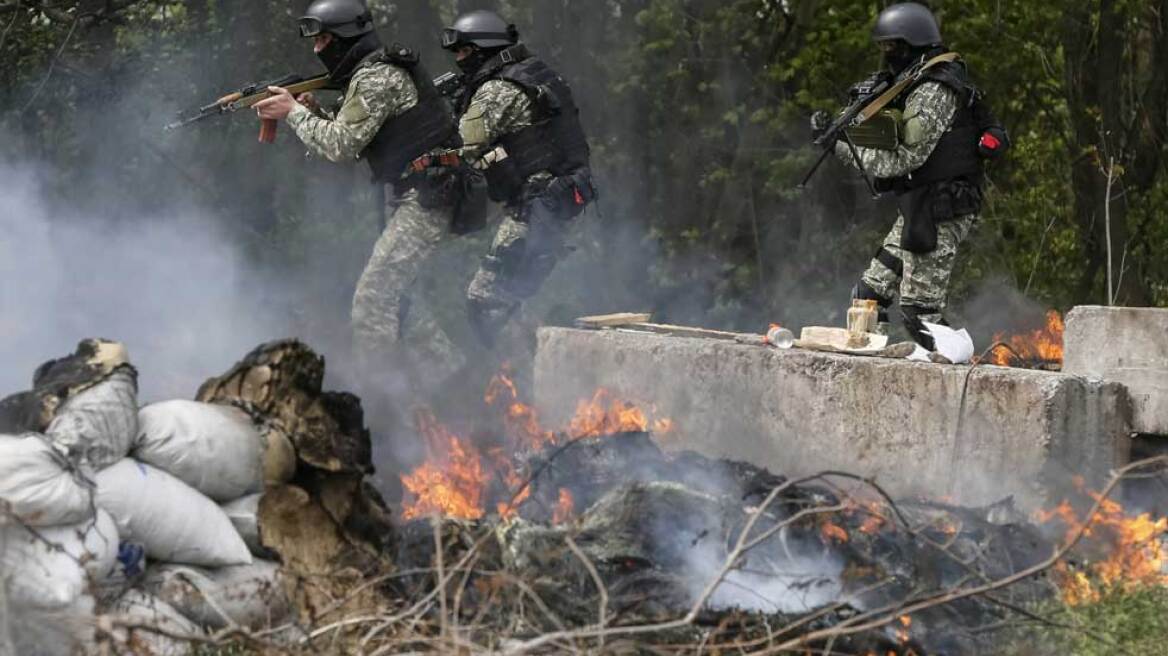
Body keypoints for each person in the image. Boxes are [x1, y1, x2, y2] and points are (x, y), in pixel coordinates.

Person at [254, 0, 463, 381]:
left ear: (345, 37)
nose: (317, 49)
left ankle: (383, 402)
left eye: (323, 40)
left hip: (430, 193)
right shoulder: (370, 73)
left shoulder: (376, 77)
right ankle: (454, 383)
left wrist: (293, 113)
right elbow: (347, 137)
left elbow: (340, 146)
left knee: (373, 299)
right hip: (422, 191)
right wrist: (310, 113)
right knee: (403, 302)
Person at [821, 2, 1006, 349]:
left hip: (942, 207)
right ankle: (873, 362)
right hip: (920, 205)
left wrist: (842, 149)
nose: (887, 53)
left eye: (893, 46)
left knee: (920, 314)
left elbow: (905, 159)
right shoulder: (910, 80)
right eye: (884, 46)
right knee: (868, 298)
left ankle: (966, 366)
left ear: (912, 44)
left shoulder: (935, 89)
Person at [439, 10, 597, 348]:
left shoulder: (498, 88)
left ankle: (525, 374)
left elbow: (461, 145)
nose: (459, 59)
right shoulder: (535, 73)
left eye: (464, 51)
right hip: (561, 200)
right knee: (522, 304)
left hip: (538, 208)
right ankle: (530, 369)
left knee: (486, 302)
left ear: (484, 48)